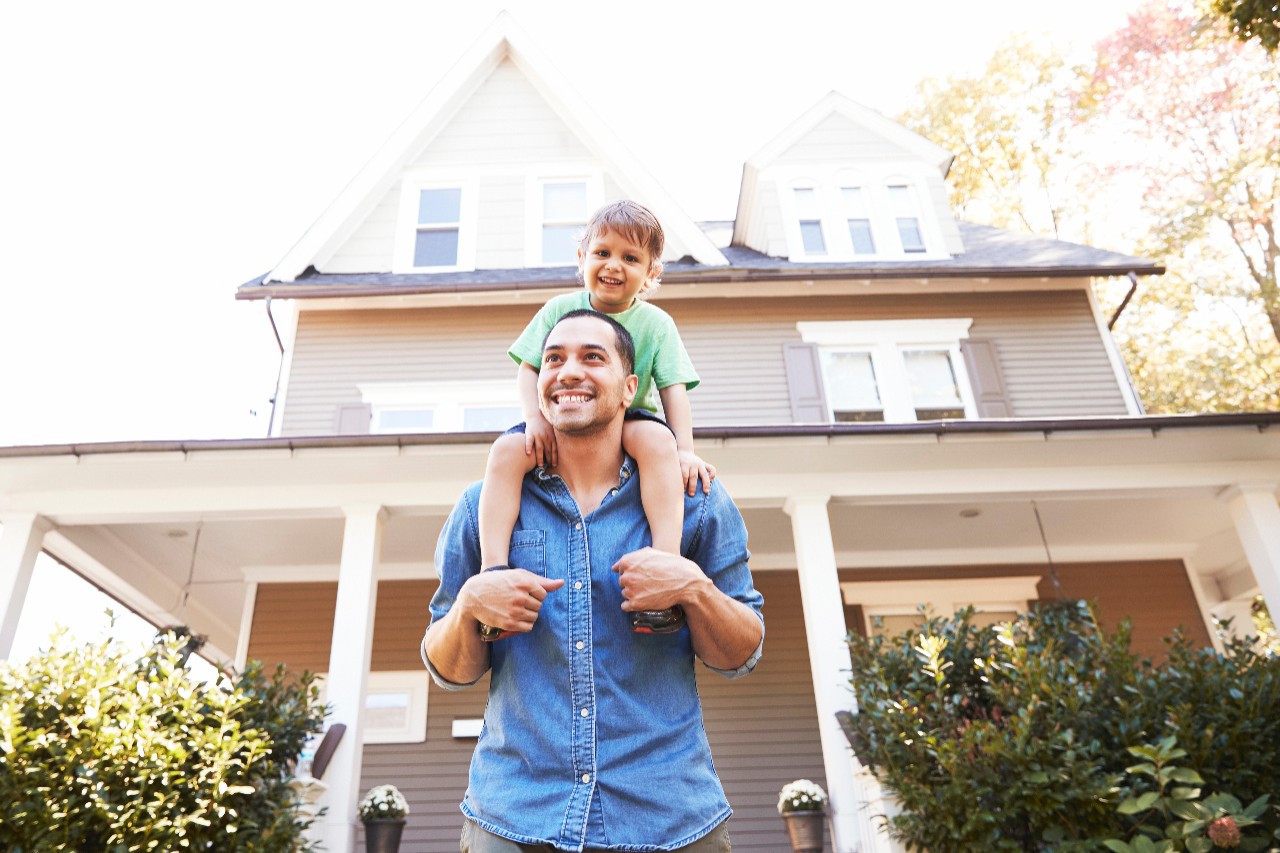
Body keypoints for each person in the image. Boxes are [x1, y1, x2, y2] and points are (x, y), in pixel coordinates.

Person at [421, 309, 765, 852]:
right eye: (554, 359)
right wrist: (468, 607)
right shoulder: (484, 505)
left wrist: (692, 588)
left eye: (592, 357)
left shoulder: (694, 502)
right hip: (514, 817)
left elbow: (741, 652)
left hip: (669, 819)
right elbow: (446, 668)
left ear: (630, 388)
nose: (568, 371)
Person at [477, 202, 714, 619]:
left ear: (651, 273)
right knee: (506, 452)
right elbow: (529, 368)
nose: (613, 265)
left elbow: (674, 390)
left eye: (630, 258)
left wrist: (686, 450)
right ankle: (493, 567)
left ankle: (665, 562)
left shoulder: (657, 324)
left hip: (629, 418)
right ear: (581, 259)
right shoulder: (557, 309)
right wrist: (535, 418)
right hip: (561, 417)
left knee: (657, 439)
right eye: (602, 253)